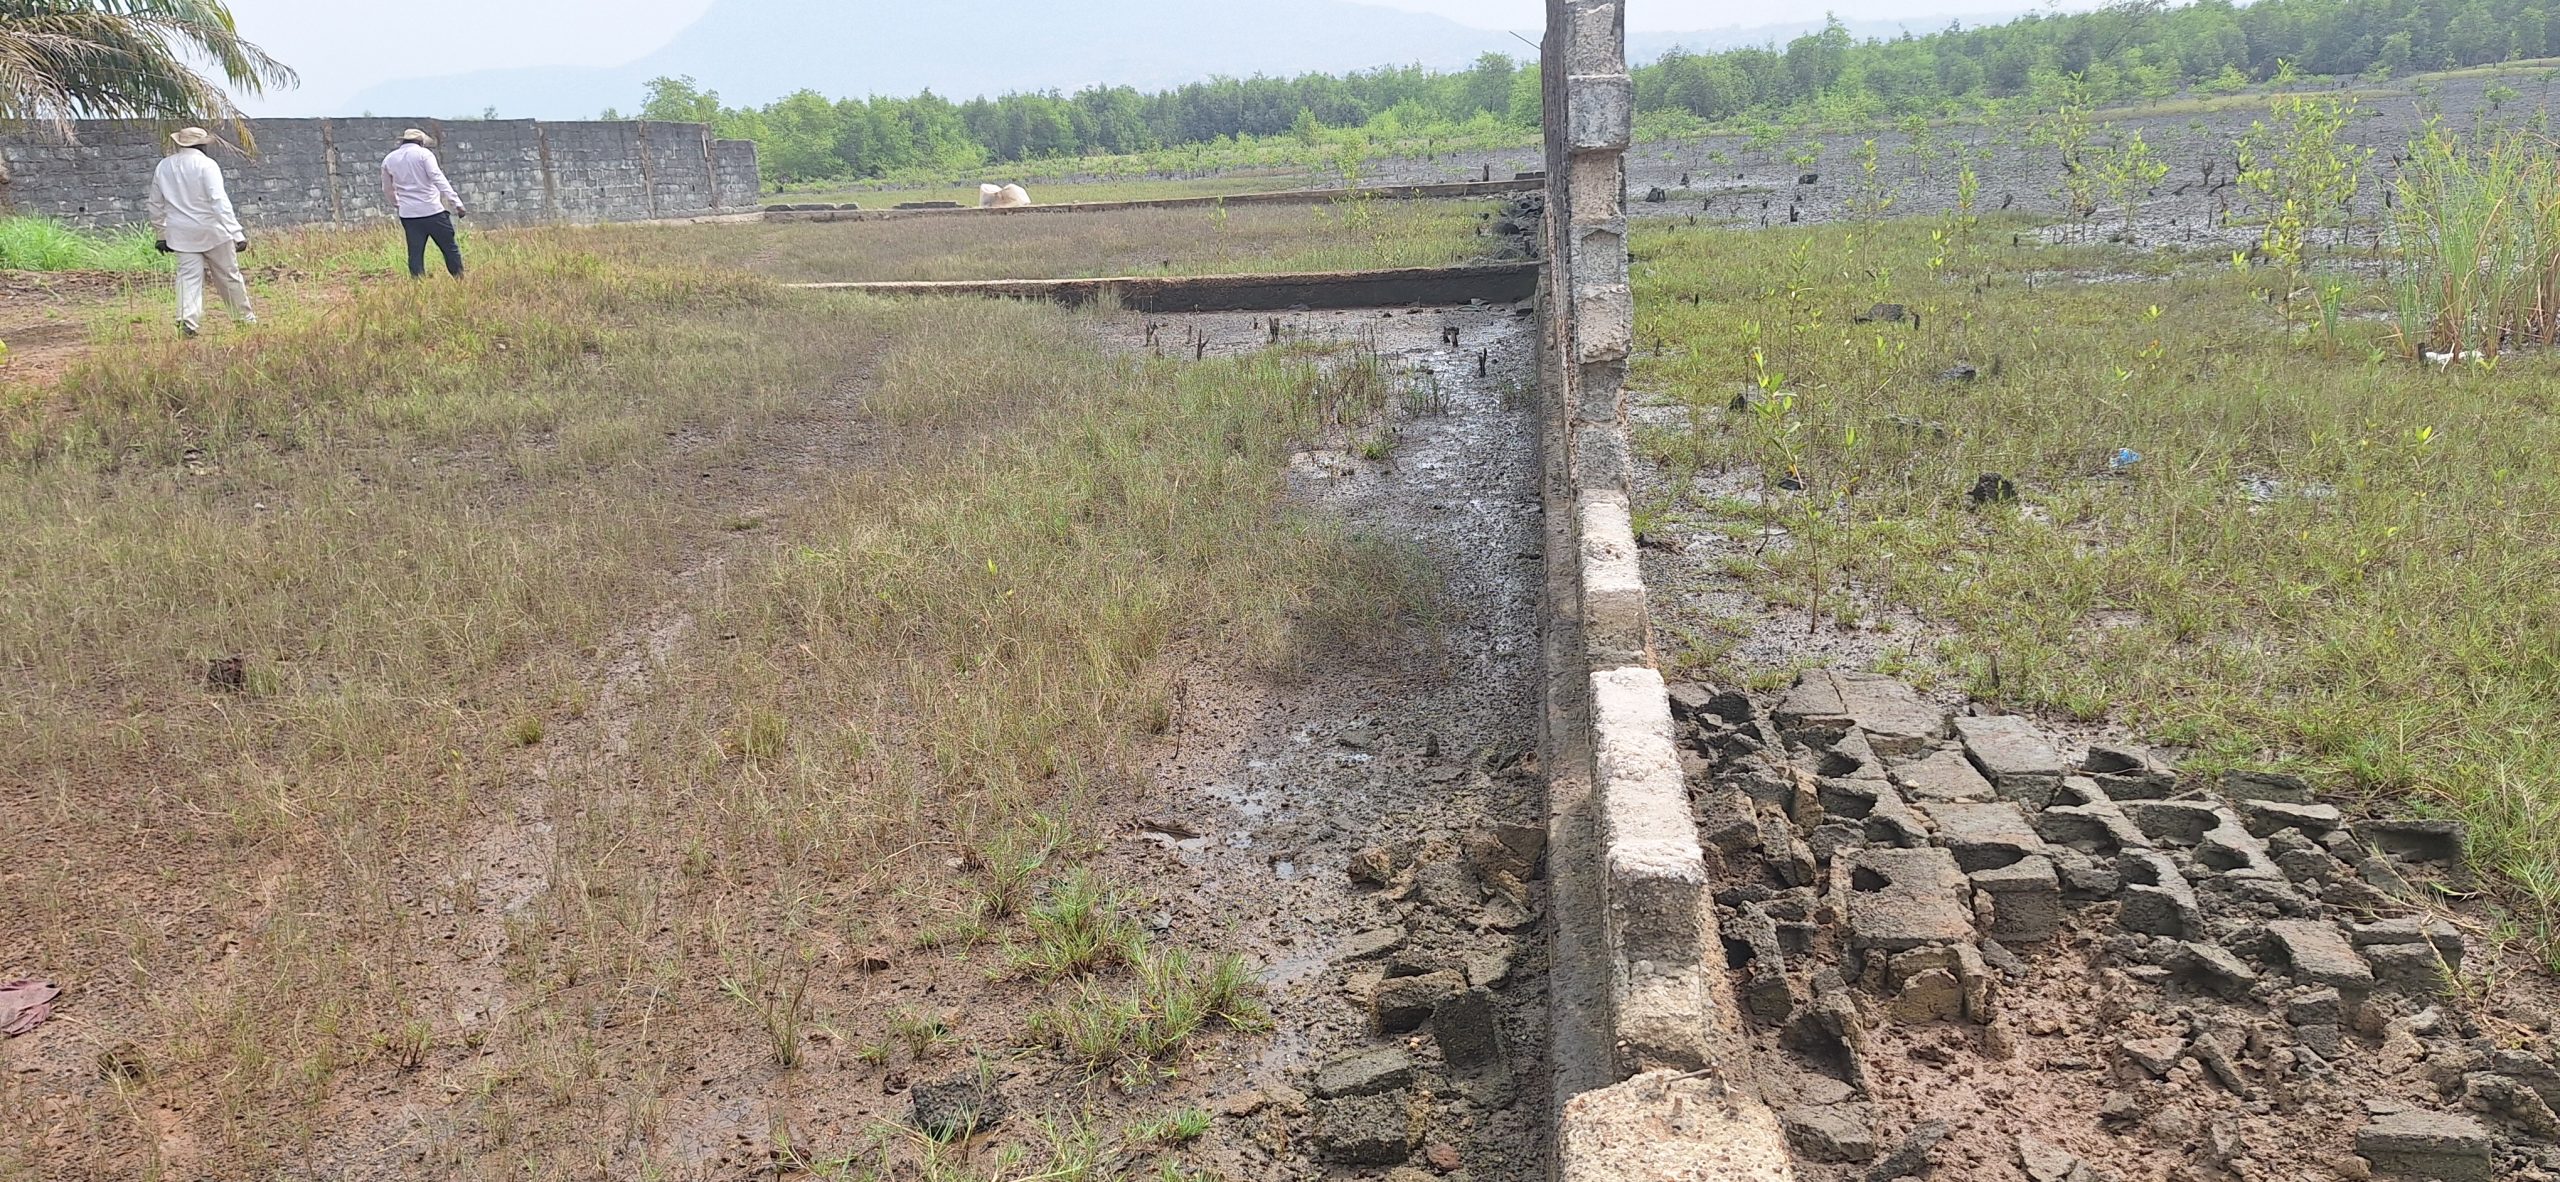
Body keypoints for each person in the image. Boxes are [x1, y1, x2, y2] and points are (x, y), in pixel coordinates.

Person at [146, 127, 255, 339]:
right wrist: (237, 233)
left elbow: (155, 204)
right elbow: (218, 201)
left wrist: (161, 234)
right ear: (202, 145)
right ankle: (244, 320)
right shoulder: (207, 165)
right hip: (213, 231)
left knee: (188, 278)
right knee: (229, 276)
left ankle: (187, 322)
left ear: (181, 144)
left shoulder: (164, 166)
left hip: (181, 234)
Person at [381, 128, 468, 278]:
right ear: (420, 142)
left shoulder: (389, 159)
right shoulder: (424, 155)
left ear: (403, 141)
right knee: (449, 248)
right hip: (432, 211)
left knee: (415, 253)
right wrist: (457, 202)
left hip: (409, 215)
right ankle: (459, 278)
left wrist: (398, 204)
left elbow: (387, 188)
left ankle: (418, 284)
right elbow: (438, 178)